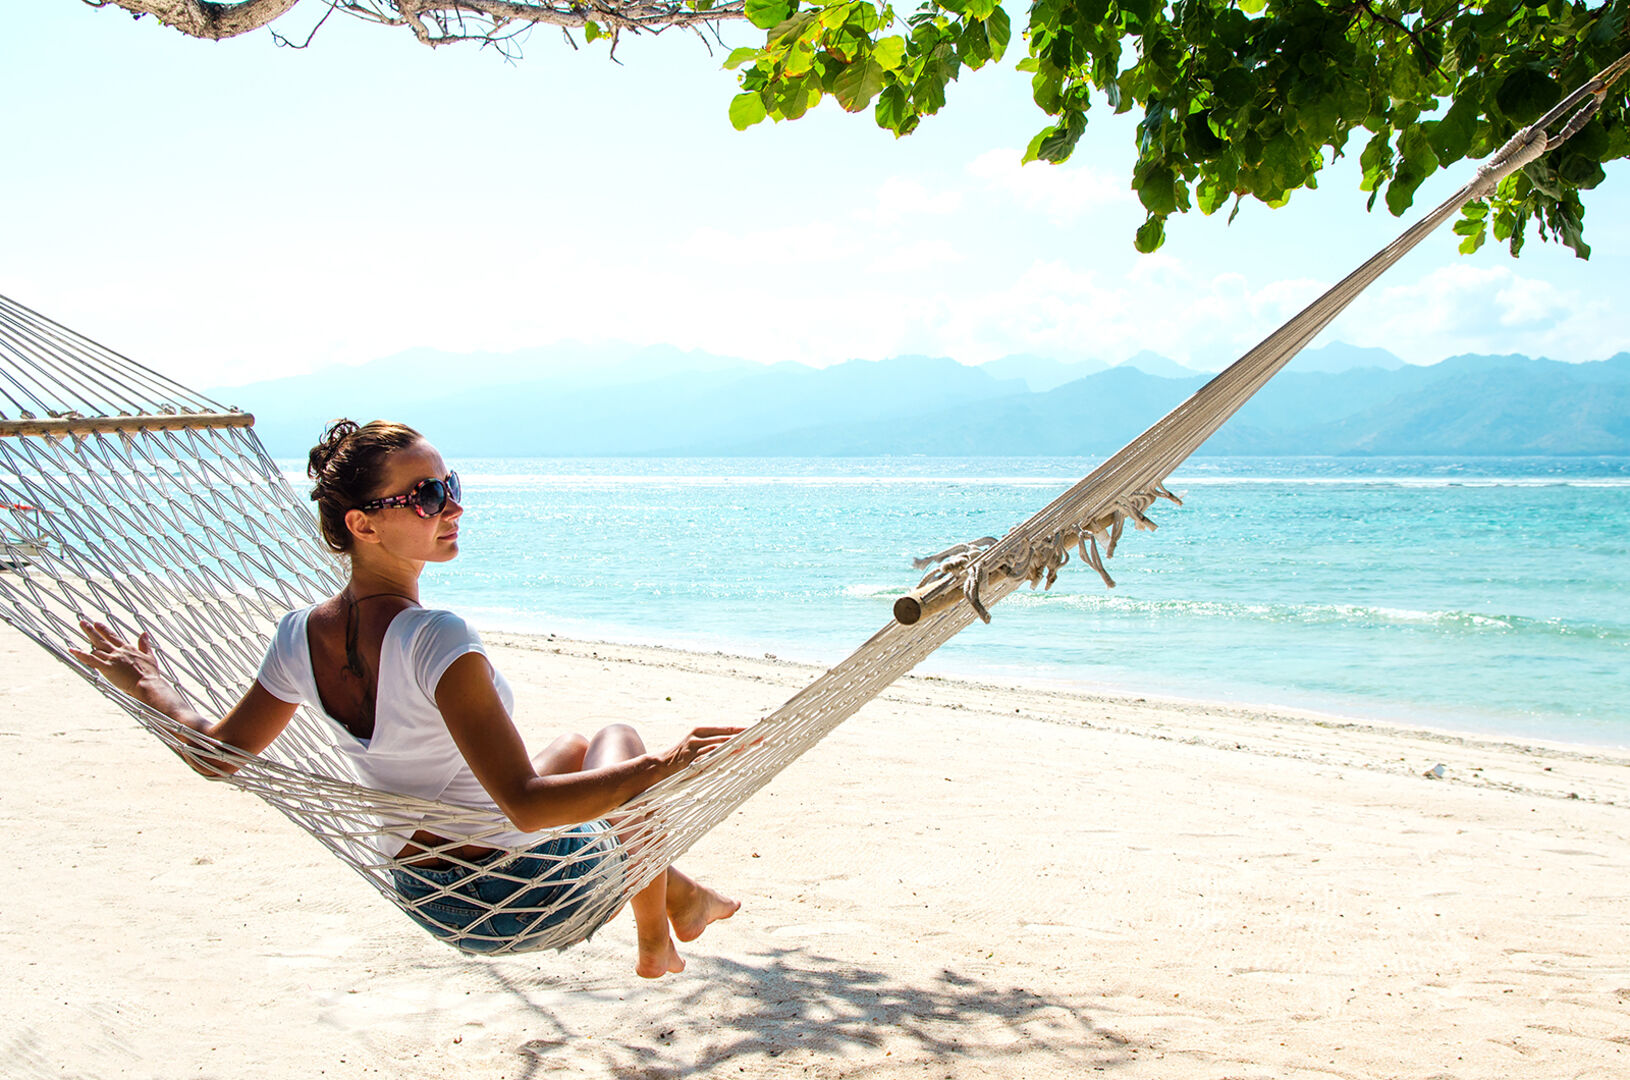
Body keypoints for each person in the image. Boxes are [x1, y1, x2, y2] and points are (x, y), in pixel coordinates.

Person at [69, 419, 740, 978]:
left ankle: (680, 897)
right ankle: (655, 939)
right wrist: (667, 764)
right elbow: (528, 807)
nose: (453, 507)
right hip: (519, 897)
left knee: (570, 745)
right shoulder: (435, 639)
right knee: (621, 743)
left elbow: (216, 755)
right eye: (425, 496)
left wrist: (147, 683)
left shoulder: (299, 635)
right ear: (363, 525)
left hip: (431, 900)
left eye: (451, 486)